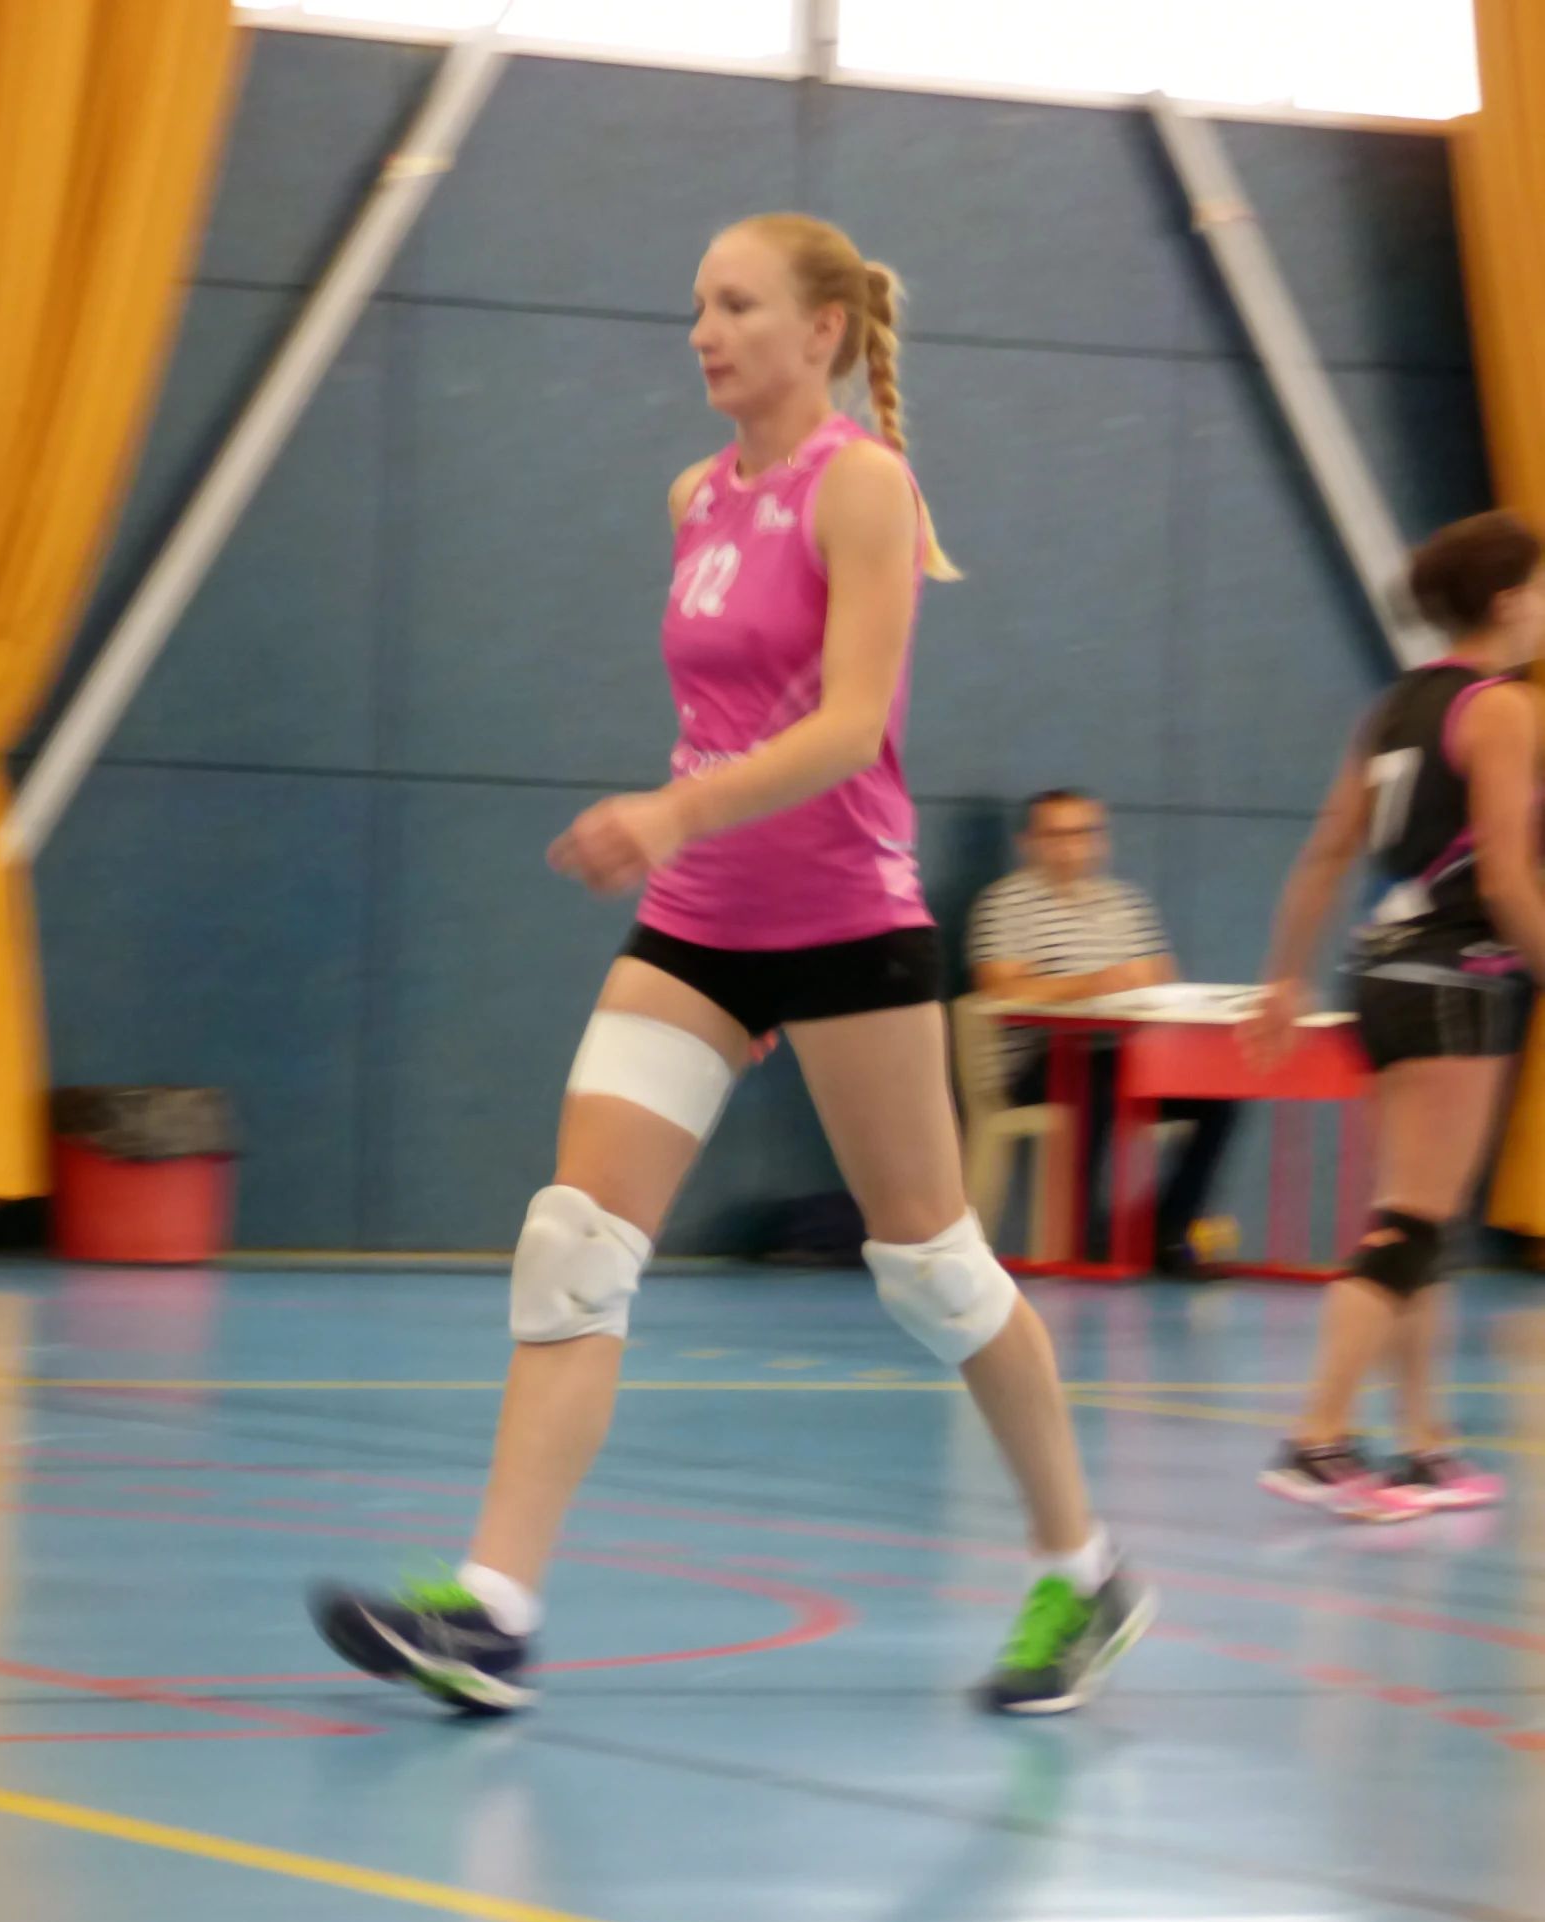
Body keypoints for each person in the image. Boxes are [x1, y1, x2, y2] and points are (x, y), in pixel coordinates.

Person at [309, 213, 1154, 1716]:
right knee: (574, 1244)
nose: (703, 330)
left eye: (737, 303)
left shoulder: (867, 486)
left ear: (820, 330)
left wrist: (671, 814)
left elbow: (842, 729)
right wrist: (686, 839)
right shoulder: (695, 494)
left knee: (934, 1275)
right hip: (700, 932)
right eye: (694, 303)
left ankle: (1081, 1572)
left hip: (844, 926)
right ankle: (491, 1610)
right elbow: (714, 714)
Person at [1251, 510, 1545, 1521]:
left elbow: (1330, 848)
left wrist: (1284, 975)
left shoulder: (1394, 709)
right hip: (1457, 978)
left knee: (1418, 1217)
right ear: (1508, 600)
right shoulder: (1503, 709)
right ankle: (1318, 1436)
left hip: (1380, 972)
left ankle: (1425, 1440)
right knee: (1413, 1221)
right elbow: (1506, 873)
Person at [968, 789, 1240, 1272]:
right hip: (1036, 1060)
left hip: (1123, 1053)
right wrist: (1095, 984)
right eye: (1057, 834)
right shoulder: (1006, 903)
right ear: (1030, 842)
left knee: (1219, 1095)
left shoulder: (1125, 904)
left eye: (1084, 832)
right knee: (1099, 1082)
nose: (1072, 845)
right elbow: (999, 985)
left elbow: (1159, 976)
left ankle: (1168, 1230)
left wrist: (1137, 986)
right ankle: (1083, 1236)